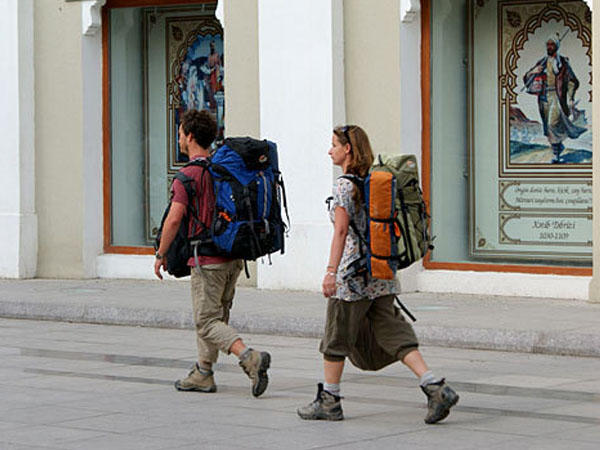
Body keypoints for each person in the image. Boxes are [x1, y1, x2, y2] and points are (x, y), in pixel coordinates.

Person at [297, 125, 459, 423]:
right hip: (382, 271)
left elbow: (342, 231)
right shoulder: (377, 180)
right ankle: (435, 386)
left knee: (335, 337)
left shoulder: (345, 185)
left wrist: (331, 272)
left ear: (348, 149)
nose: (329, 150)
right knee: (393, 332)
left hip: (354, 278)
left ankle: (329, 400)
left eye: (334, 144)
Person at [154, 109, 271, 397]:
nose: (179, 138)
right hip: (232, 257)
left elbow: (174, 219)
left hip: (206, 260)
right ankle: (203, 373)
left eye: (181, 133)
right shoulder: (222, 169)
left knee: (206, 321)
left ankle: (249, 357)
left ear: (190, 136)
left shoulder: (188, 176)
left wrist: (161, 253)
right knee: (215, 318)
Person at [523, 34, 586, 163]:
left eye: (552, 44)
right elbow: (527, 78)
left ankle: (556, 154)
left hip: (558, 97)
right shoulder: (542, 62)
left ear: (556, 46)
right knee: (547, 126)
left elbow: (573, 81)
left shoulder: (563, 63)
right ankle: (558, 147)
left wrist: (570, 97)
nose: (549, 47)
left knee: (552, 124)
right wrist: (533, 71)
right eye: (548, 44)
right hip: (543, 98)